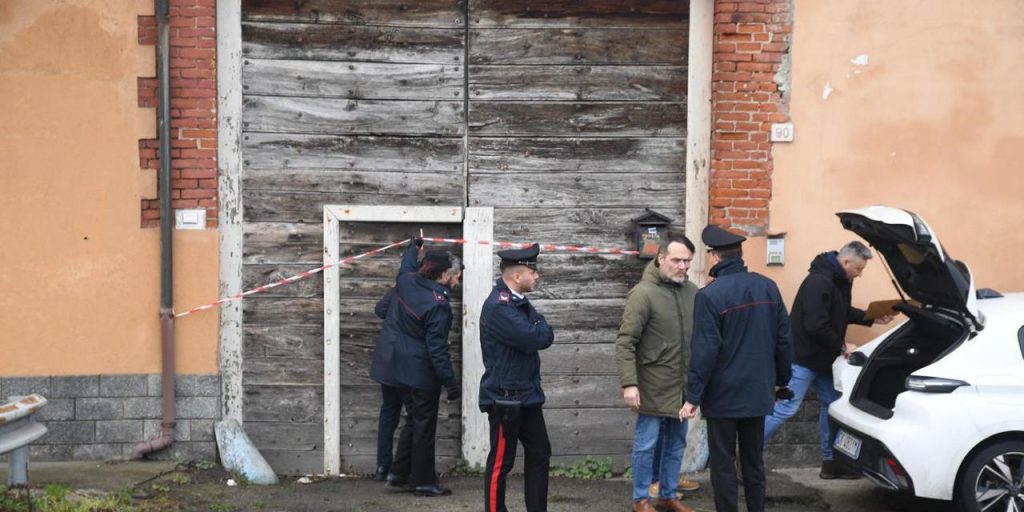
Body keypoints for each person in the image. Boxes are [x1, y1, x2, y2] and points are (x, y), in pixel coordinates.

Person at [680, 225, 793, 512]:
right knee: (754, 462)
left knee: (724, 465)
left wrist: (692, 396)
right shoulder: (768, 287)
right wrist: (782, 381)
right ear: (739, 255)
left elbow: (704, 351)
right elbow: (784, 339)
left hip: (723, 397)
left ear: (715, 258)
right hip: (758, 392)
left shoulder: (709, 295)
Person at [763, 241, 893, 479]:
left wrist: (871, 317)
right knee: (785, 408)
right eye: (858, 269)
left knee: (833, 405)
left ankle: (831, 462)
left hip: (823, 358)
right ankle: (746, 456)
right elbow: (815, 325)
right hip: (803, 358)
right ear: (845, 262)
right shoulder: (819, 281)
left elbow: (839, 311)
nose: (860, 274)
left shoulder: (839, 280)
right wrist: (842, 345)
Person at [615, 232, 699, 512]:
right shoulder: (643, 293)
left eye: (687, 261)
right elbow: (626, 341)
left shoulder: (692, 292)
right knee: (646, 445)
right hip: (651, 384)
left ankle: (667, 494)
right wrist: (629, 383)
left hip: (682, 387)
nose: (682, 266)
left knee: (676, 444)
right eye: (676, 260)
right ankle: (641, 499)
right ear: (661, 258)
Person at [479, 244, 554, 512]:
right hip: (505, 399)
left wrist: (538, 327)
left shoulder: (519, 302)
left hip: (528, 396)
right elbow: (535, 337)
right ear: (516, 275)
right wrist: (537, 327)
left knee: (540, 453)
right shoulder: (499, 306)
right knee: (502, 462)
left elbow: (544, 331)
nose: (537, 276)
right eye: (533, 271)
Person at [384, 241, 463, 497]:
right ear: (443, 274)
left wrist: (412, 248)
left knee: (414, 421)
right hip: (421, 372)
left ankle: (399, 474)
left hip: (398, 367)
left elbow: (406, 267)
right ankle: (423, 482)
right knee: (424, 427)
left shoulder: (407, 282)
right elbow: (437, 349)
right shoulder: (437, 304)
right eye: (456, 276)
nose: (457, 281)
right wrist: (450, 382)